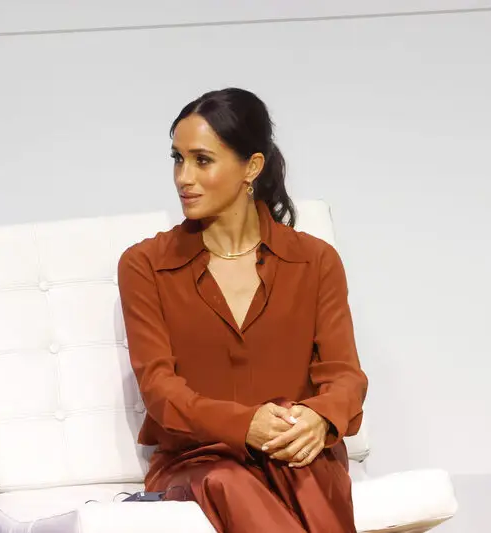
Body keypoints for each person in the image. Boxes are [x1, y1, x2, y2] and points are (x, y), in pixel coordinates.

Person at [117, 87, 369, 533]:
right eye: (177, 159)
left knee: (308, 476)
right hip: (200, 461)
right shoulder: (145, 266)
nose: (183, 177)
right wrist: (244, 424)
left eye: (202, 160)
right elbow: (159, 390)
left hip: (297, 454)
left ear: (251, 167)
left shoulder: (314, 261)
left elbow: (344, 374)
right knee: (231, 483)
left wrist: (319, 418)